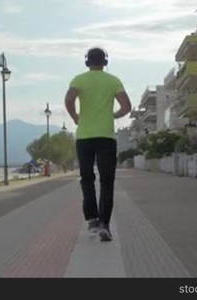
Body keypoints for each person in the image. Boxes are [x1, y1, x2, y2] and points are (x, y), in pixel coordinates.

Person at [64, 47, 132, 242]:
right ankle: (104, 224)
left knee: (86, 178)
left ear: (87, 61)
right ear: (105, 61)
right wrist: (112, 115)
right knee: (107, 180)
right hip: (106, 137)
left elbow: (69, 100)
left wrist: (76, 117)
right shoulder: (113, 81)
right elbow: (127, 107)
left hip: (84, 137)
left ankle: (92, 219)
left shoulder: (79, 80)